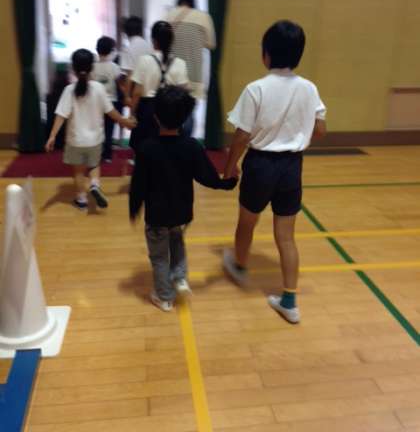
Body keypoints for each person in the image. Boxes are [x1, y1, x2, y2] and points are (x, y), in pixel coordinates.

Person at [222, 20, 327, 324]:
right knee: (286, 236)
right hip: (292, 166)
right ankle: (289, 301)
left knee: (247, 222)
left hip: (260, 165)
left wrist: (230, 167)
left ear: (265, 54)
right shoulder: (309, 88)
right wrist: (297, 135)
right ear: (299, 55)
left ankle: (240, 266)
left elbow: (241, 136)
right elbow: (321, 129)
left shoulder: (256, 89)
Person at [129, 85, 237, 312]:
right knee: (177, 241)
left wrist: (134, 208)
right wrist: (226, 183)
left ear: (156, 117)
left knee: (159, 256)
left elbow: (138, 184)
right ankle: (179, 278)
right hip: (182, 212)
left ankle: (164, 297)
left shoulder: (147, 148)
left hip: (157, 215)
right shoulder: (191, 146)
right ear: (186, 117)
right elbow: (207, 177)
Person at [45, 49, 136, 211]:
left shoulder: (69, 90)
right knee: (94, 165)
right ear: (92, 68)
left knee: (79, 171)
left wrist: (52, 136)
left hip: (75, 140)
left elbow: (61, 115)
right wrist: (124, 121)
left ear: (73, 68)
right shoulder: (98, 88)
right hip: (95, 140)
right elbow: (111, 111)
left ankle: (81, 199)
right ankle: (94, 184)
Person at [129, 21, 189, 150]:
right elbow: (183, 92)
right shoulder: (180, 63)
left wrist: (132, 114)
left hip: (146, 110)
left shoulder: (144, 60)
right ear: (171, 41)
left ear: (153, 40)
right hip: (171, 110)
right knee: (169, 148)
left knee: (144, 148)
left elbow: (137, 92)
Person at [166, 0, 216, 136]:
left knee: (171, 112)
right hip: (193, 74)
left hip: (171, 73)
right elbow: (211, 44)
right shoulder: (203, 17)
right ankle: (185, 143)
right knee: (189, 111)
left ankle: (171, 143)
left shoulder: (168, 16)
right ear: (193, 0)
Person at [92, 36, 123, 162]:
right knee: (109, 130)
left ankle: (96, 153)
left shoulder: (92, 67)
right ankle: (107, 155)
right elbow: (120, 83)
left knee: (97, 129)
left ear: (97, 49)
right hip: (111, 102)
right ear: (111, 50)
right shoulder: (114, 67)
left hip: (96, 102)